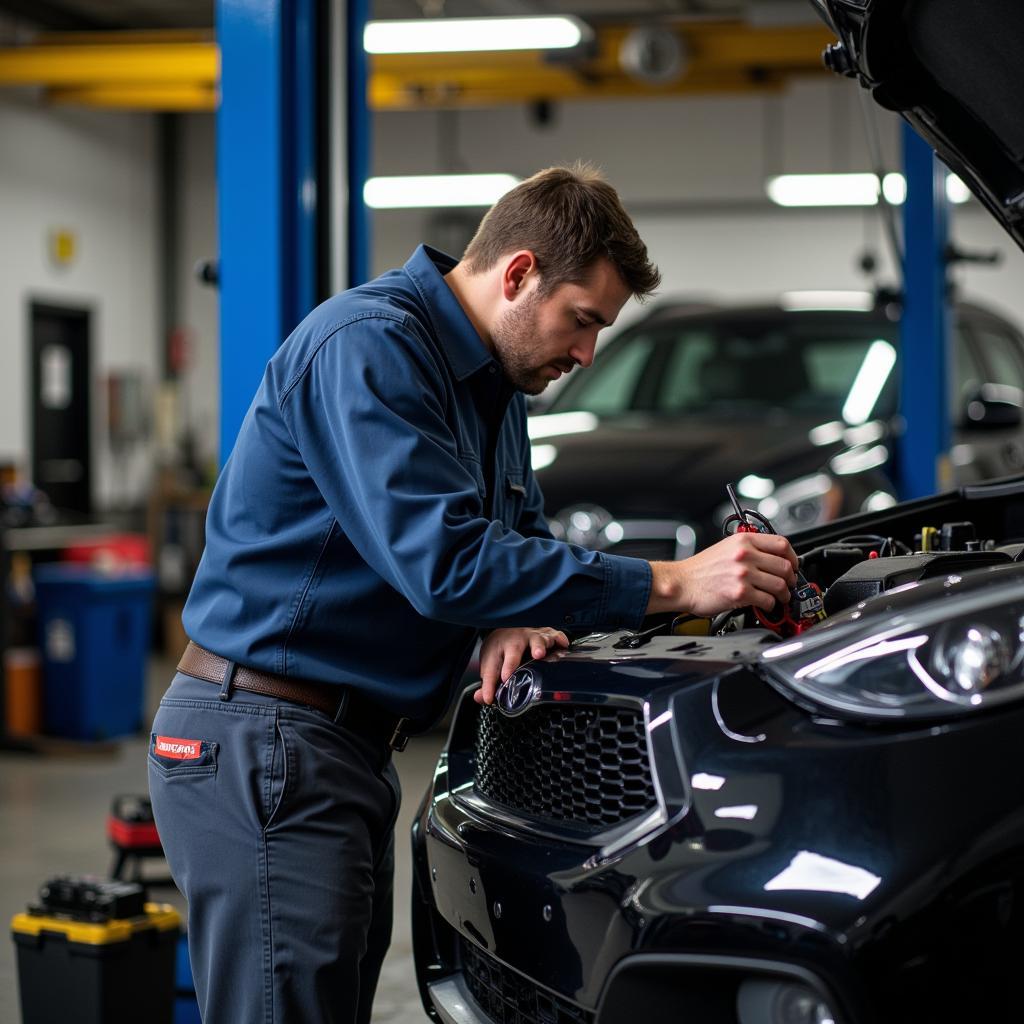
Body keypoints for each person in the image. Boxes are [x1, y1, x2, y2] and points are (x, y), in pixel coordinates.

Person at [148, 163, 798, 1023]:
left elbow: (512, 543)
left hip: (338, 749)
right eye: (582, 321)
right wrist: (674, 582)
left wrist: (511, 610)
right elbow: (446, 561)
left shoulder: (494, 389)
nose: (586, 354)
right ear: (520, 273)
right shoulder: (370, 348)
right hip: (268, 741)